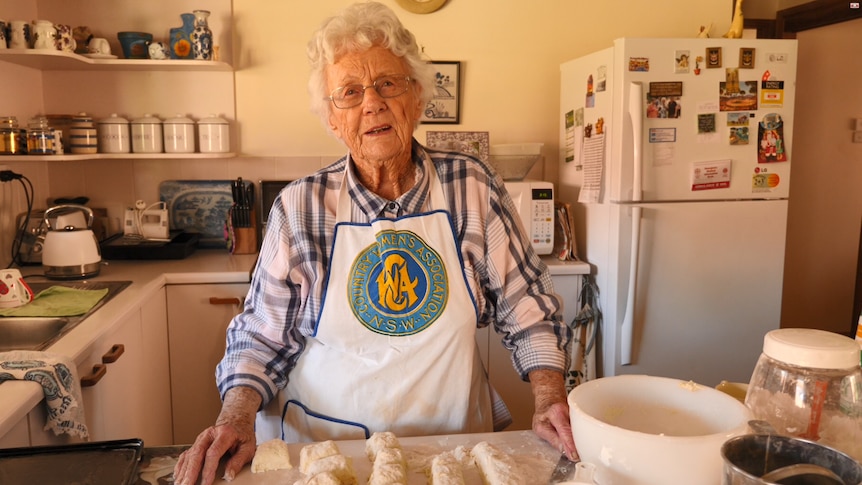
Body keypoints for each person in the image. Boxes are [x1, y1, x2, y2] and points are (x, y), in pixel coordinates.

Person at [173, 3, 575, 484]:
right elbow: (262, 335)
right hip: (328, 452)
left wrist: (551, 396)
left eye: (389, 83)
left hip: (451, 446)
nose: (372, 103)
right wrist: (235, 416)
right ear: (331, 119)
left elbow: (527, 305)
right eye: (349, 92)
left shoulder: (473, 185)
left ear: (418, 97)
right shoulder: (300, 207)